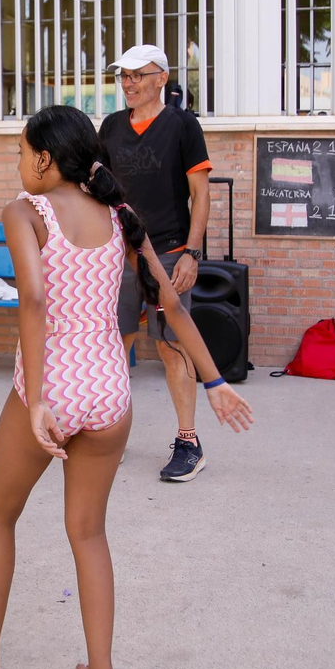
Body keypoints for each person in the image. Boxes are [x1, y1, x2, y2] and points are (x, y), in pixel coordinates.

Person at [0, 104, 253, 669]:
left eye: (21, 152)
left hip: (52, 389)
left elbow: (32, 300)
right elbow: (173, 305)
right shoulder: (120, 215)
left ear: (45, 158)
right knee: (88, 535)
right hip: (110, 392)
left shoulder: (25, 212)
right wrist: (216, 383)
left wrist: (35, 403)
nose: (19, 165)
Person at [98, 44, 217, 482]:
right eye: (122, 76)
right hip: (119, 255)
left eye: (136, 74)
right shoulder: (110, 126)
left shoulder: (183, 125)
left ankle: (189, 442)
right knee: (114, 346)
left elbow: (200, 194)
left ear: (161, 78)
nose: (127, 83)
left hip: (168, 252)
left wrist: (191, 251)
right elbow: (98, 189)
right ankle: (108, 436)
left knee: (172, 347)